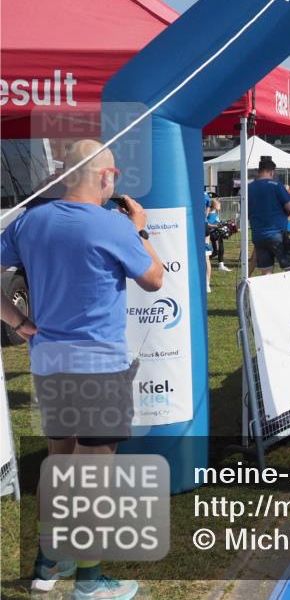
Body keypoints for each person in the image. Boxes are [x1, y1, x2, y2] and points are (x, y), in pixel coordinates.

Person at [1, 139, 164, 600]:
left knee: (61, 466)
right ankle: (90, 582)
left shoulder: (31, 220)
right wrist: (141, 231)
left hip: (50, 363)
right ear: (106, 177)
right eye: (114, 175)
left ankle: (48, 564)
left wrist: (18, 322)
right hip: (98, 367)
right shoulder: (113, 225)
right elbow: (154, 280)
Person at [248, 156, 290, 275]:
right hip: (277, 234)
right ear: (271, 171)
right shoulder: (275, 185)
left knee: (266, 272)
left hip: (259, 235)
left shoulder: (248, 188)